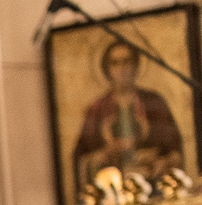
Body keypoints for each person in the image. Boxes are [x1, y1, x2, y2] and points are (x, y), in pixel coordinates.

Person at [69, 40, 184, 191]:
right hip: (112, 192)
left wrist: (162, 162)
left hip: (152, 187)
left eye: (126, 61)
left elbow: (175, 150)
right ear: (107, 69)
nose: (122, 68)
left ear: (135, 65)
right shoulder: (97, 109)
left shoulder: (154, 102)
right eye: (115, 63)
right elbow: (82, 158)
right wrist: (103, 155)